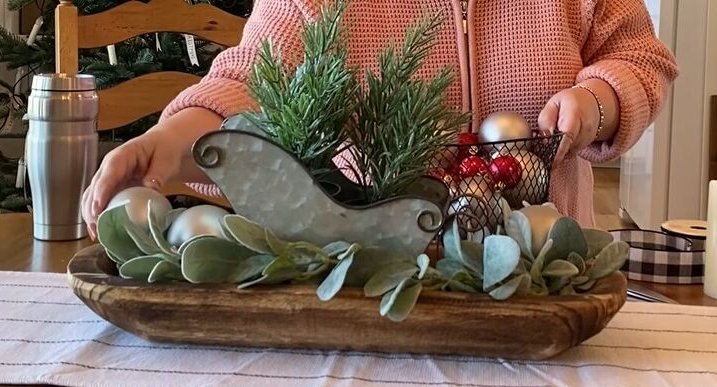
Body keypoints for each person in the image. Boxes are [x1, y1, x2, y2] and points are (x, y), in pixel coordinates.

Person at [81, 0, 678, 239]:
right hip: (373, 277)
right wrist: (171, 136)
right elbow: (246, 81)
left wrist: (599, 101)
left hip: (543, 274)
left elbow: (641, 59)